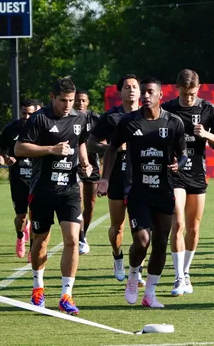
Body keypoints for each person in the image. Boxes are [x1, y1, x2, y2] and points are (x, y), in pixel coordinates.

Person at [97, 77, 187, 308]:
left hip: (165, 191)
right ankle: (134, 273)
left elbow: (184, 153)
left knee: (160, 243)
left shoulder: (174, 123)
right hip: (137, 190)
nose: (145, 96)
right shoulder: (128, 123)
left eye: (149, 92)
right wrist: (105, 178)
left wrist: (181, 164)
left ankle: (150, 294)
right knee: (142, 240)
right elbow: (111, 149)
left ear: (160, 96)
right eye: (143, 92)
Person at [15, 78, 92, 315]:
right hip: (42, 190)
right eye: (63, 101)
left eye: (71, 100)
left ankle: (66, 295)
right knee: (41, 242)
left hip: (69, 189)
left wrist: (86, 164)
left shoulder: (80, 117)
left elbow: (80, 143)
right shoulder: (40, 118)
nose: (68, 105)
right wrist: (50, 149)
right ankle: (38, 288)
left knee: (72, 239)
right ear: (52, 97)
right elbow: (19, 149)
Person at [162, 69, 214, 296]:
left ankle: (186, 272)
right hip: (174, 175)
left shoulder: (208, 110)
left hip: (198, 174)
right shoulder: (167, 110)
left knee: (194, 228)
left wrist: (207, 135)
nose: (188, 97)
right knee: (178, 224)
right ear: (177, 88)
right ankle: (178, 277)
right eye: (184, 93)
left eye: (192, 93)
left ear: (198, 89)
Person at [88, 74, 144, 284]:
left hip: (141, 178)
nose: (131, 90)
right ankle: (117, 256)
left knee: (142, 229)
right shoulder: (111, 117)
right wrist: (111, 147)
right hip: (118, 177)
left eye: (135, 87)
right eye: (127, 87)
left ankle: (137, 268)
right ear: (120, 92)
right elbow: (91, 143)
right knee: (118, 226)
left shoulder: (148, 115)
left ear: (140, 91)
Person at [0, 99, 42, 258]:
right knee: (21, 218)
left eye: (31, 113)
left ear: (37, 111)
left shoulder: (43, 127)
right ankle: (20, 236)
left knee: (35, 216)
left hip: (38, 179)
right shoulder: (11, 129)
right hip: (18, 179)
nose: (27, 117)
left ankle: (32, 250)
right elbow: (1, 148)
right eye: (24, 113)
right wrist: (6, 157)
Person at [74, 90, 100, 255]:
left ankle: (84, 235)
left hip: (93, 165)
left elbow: (104, 140)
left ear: (88, 102)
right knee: (79, 202)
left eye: (83, 100)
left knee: (90, 205)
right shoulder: (68, 117)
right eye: (77, 100)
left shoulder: (96, 118)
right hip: (74, 165)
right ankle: (80, 237)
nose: (80, 103)